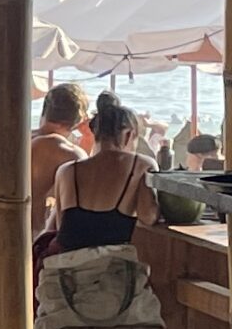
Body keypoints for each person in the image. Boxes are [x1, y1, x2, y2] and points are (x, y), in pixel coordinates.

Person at [0, 81, 90, 287]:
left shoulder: (17, 138)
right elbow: (88, 198)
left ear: (45, 110)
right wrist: (90, 141)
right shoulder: (69, 153)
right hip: (0, 264)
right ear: (79, 121)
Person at [46, 90, 163, 253]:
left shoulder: (66, 171)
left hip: (64, 264)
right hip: (110, 265)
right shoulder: (141, 165)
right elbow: (148, 216)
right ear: (129, 135)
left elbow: (61, 227)